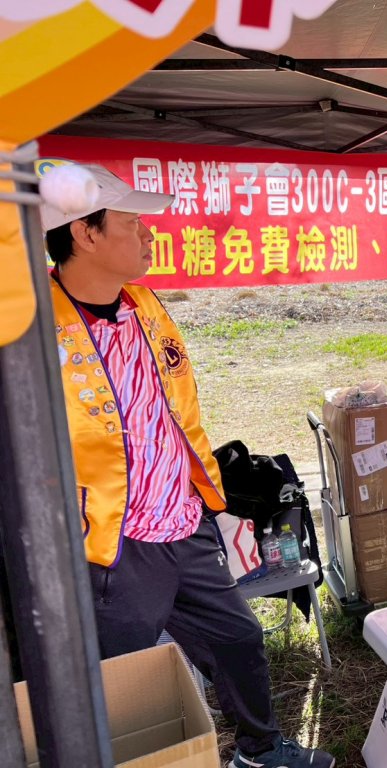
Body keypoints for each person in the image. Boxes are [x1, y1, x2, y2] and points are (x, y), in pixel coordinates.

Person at [39, 164, 334, 768]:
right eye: (132, 223)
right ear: (85, 234)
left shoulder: (144, 304)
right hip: (114, 544)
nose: (148, 234)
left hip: (183, 519)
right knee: (122, 683)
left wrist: (203, 500)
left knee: (238, 639)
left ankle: (259, 753)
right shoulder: (34, 327)